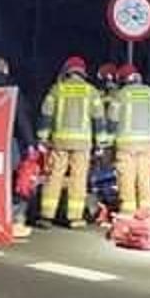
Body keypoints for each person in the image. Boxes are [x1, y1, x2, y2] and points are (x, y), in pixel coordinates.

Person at [35, 56, 105, 229]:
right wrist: (101, 144)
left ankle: (46, 216)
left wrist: (42, 138)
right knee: (78, 179)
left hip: (59, 142)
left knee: (54, 177)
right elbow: (99, 120)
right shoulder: (91, 92)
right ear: (83, 73)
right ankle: (75, 218)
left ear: (67, 71)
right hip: (82, 144)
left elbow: (46, 116)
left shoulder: (56, 90)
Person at [0, 56, 39, 238]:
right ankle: (11, 218)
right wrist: (30, 143)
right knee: (11, 178)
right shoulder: (10, 88)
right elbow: (20, 117)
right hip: (5, 141)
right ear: (4, 69)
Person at [107, 64, 150, 215]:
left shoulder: (120, 95)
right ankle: (145, 213)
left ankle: (128, 213)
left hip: (125, 145)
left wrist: (109, 141)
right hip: (145, 144)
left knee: (126, 179)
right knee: (144, 179)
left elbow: (112, 119)